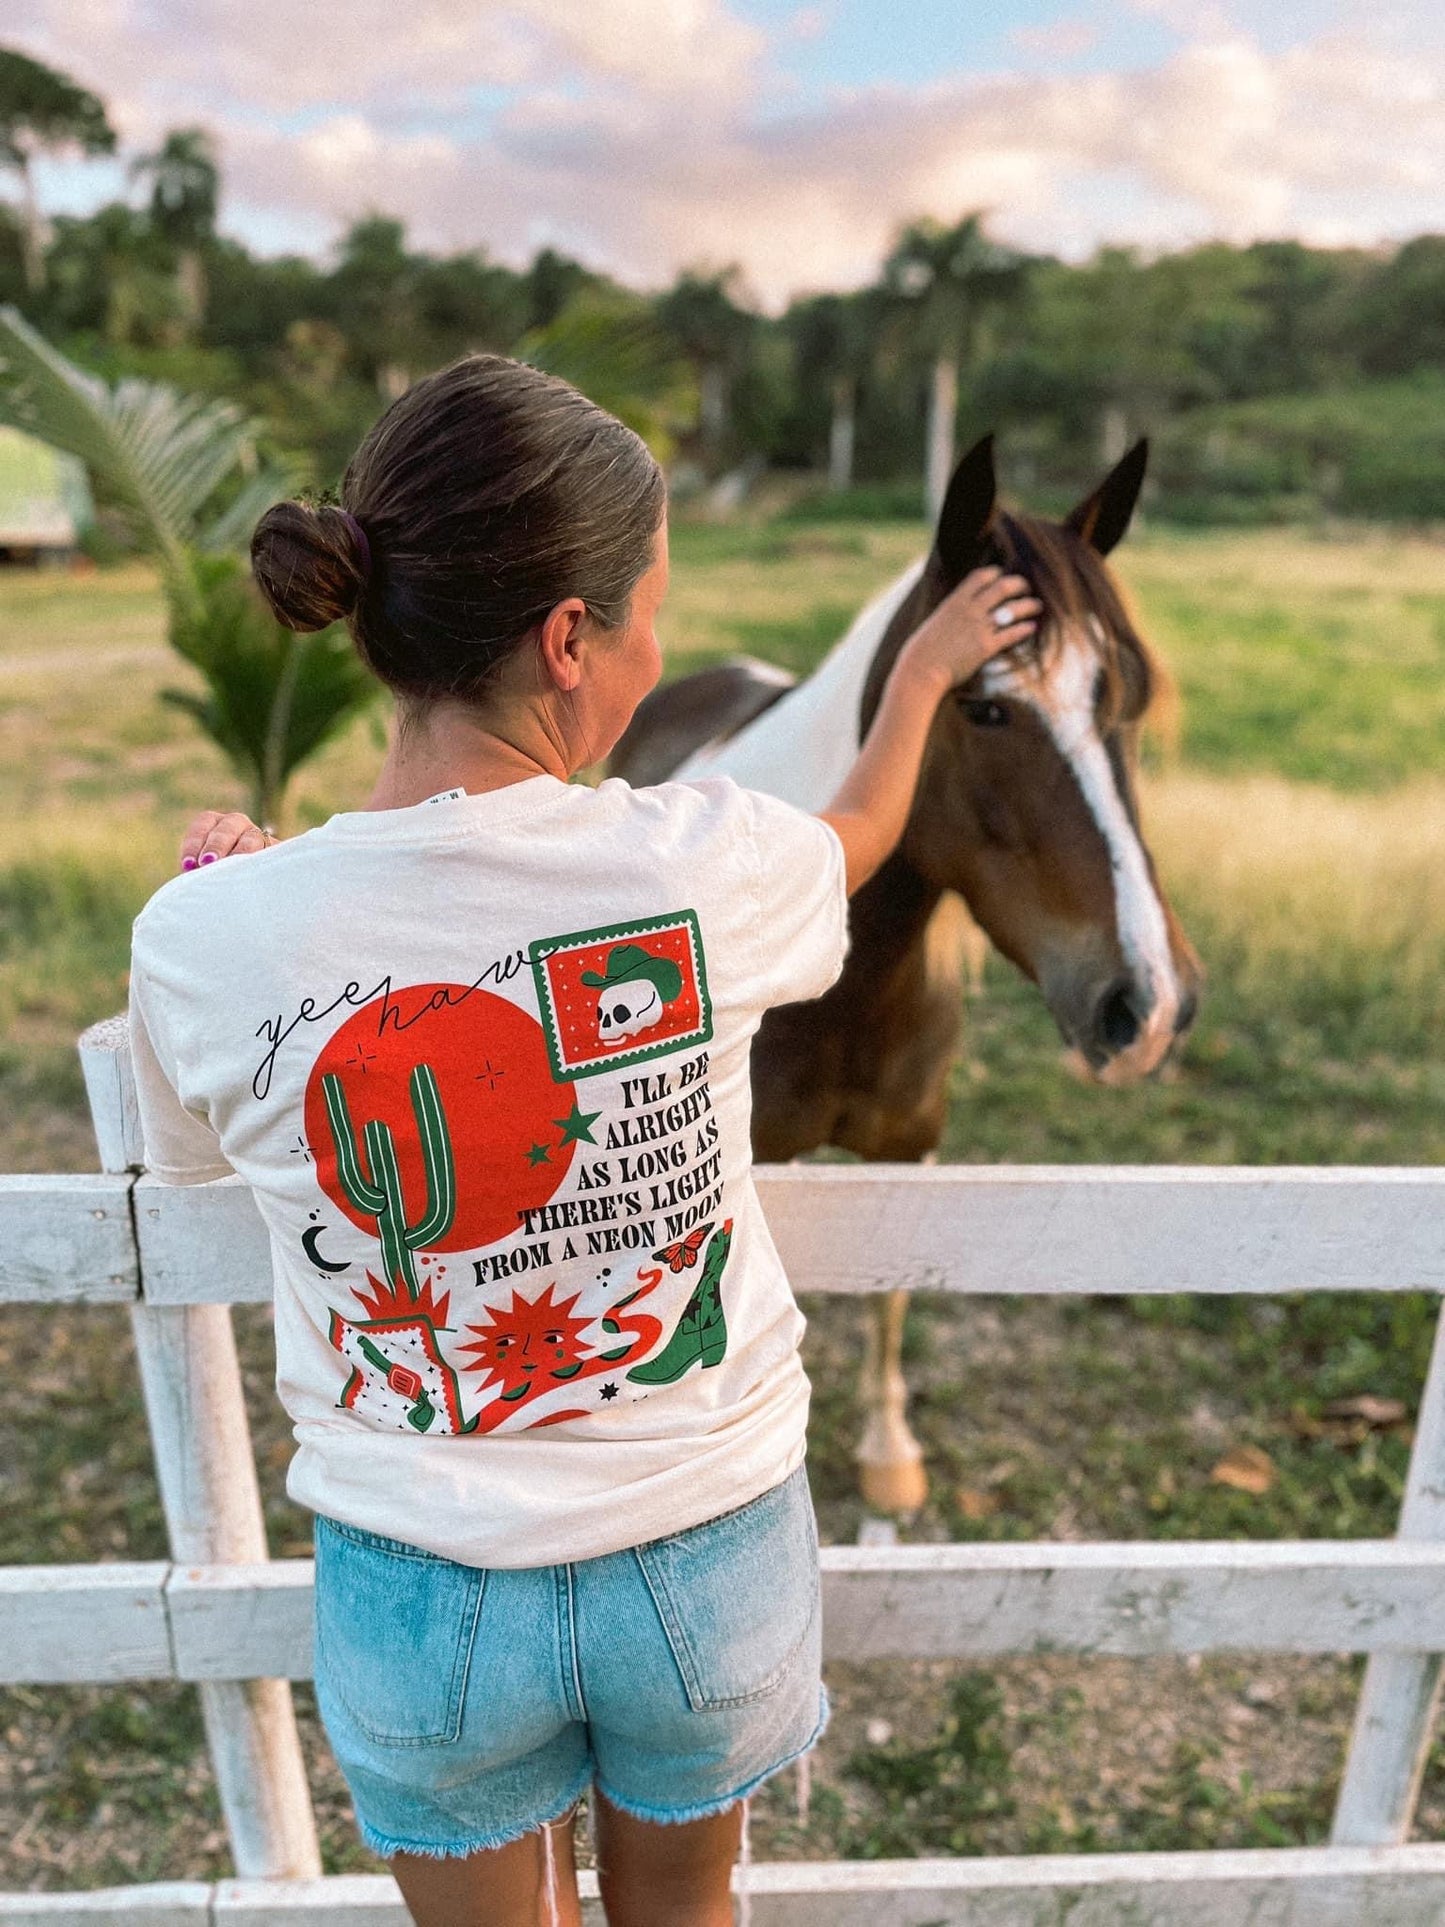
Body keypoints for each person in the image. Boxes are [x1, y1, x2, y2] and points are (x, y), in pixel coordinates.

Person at [130, 354, 1039, 1927]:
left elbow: (195, 1161)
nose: (657, 651)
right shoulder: (705, 865)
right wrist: (912, 686)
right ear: (569, 641)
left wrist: (241, 893)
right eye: (647, 612)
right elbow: (865, 837)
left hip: (419, 1585)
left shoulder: (206, 935)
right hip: (706, 1547)